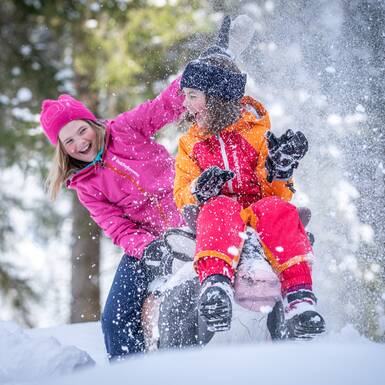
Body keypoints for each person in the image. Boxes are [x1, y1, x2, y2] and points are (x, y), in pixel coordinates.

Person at [174, 16, 325, 339]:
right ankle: (216, 286)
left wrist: (278, 169)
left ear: (215, 98)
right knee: (219, 208)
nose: (185, 104)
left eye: (192, 95)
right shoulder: (190, 143)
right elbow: (181, 191)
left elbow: (275, 193)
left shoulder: (256, 133)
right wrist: (198, 190)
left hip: (259, 212)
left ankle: (299, 296)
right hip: (219, 217)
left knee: (280, 209)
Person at [40, 78, 186, 360]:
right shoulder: (85, 185)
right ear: (62, 150)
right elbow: (118, 228)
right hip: (147, 245)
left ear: (92, 123)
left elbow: (164, 106)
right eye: (69, 141)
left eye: (82, 130)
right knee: (116, 318)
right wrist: (149, 249)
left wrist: (191, 80)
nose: (80, 142)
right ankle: (131, 373)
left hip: (190, 218)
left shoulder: (125, 129)